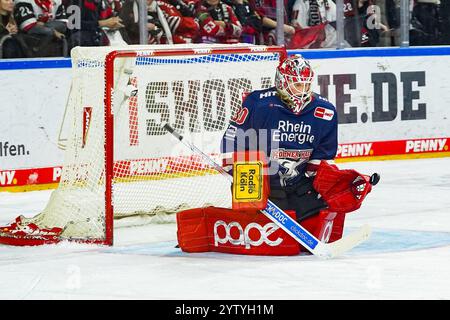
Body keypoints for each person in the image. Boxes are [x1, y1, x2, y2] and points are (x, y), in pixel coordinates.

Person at [220, 54, 376, 248]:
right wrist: (236, 170)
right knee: (268, 232)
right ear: (282, 82)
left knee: (320, 212)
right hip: (262, 181)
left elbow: (322, 156)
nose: (303, 91)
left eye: (305, 84)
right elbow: (233, 137)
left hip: (298, 182)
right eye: (297, 85)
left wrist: (330, 181)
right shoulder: (258, 104)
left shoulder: (324, 111)